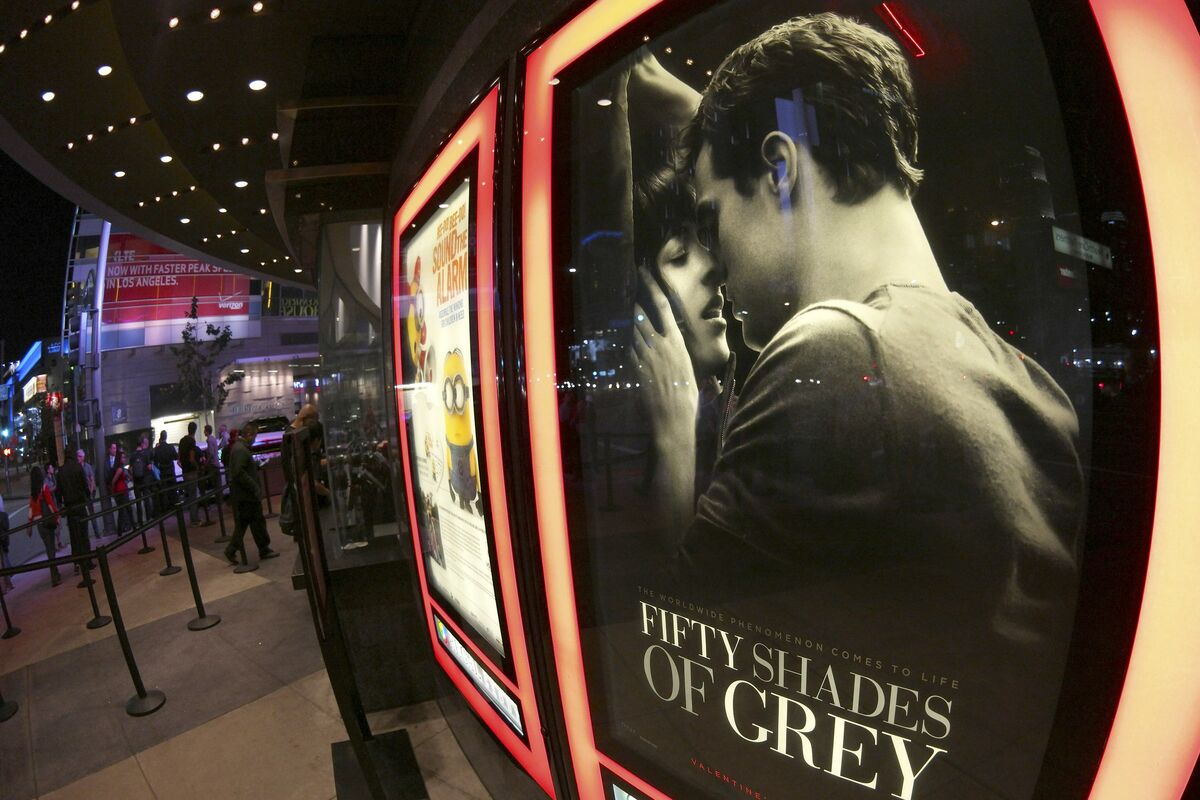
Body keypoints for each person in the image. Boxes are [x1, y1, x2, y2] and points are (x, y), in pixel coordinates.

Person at [655, 13, 1084, 797]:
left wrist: (670, 431)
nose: (716, 261)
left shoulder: (840, 350)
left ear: (780, 169)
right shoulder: (1028, 383)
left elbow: (667, 673)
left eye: (714, 218)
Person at [223, 422, 279, 565]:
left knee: (244, 523)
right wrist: (254, 487)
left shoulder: (239, 448)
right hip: (247, 494)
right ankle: (263, 549)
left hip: (243, 494)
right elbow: (239, 472)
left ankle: (231, 549)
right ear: (248, 434)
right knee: (257, 522)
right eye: (254, 435)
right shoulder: (241, 450)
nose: (255, 439)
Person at [58, 449, 94, 583]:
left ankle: (77, 562)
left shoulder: (61, 471)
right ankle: (88, 560)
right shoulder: (78, 468)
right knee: (84, 534)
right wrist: (87, 496)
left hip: (69, 507)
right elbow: (85, 485)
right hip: (80, 504)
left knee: (74, 536)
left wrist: (61, 504)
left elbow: (58, 492)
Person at [28, 466, 61, 587]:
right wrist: (56, 517)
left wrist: (29, 525)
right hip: (47, 521)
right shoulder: (44, 488)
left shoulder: (33, 493)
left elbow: (31, 510)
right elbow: (50, 504)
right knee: (51, 548)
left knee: (48, 548)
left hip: (39, 525)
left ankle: (55, 573)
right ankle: (54, 575)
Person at [178, 421, 201, 526]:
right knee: (193, 496)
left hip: (185, 473)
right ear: (195, 430)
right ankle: (194, 520)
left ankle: (193, 519)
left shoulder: (181, 441)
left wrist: (184, 467)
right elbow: (192, 458)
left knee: (190, 496)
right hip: (192, 472)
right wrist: (197, 467)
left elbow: (178, 460)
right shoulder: (192, 441)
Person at [77, 448, 103, 539]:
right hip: (81, 493)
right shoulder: (77, 467)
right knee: (83, 514)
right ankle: (85, 535)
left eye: (80, 456)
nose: (78, 458)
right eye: (78, 456)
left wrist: (91, 491)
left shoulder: (87, 466)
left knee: (92, 513)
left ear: (83, 457)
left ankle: (97, 533)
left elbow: (92, 479)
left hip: (88, 492)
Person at [129, 436, 154, 524]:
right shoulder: (145, 454)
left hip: (136, 482)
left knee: (138, 502)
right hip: (145, 480)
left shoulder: (132, 455)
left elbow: (130, 469)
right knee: (146, 500)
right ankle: (148, 519)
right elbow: (149, 467)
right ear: (142, 444)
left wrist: (132, 476)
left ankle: (140, 521)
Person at [152, 431, 178, 515]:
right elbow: (175, 457)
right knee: (173, 490)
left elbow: (155, 462)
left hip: (163, 472)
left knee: (164, 491)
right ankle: (174, 506)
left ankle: (166, 509)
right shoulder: (170, 447)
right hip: (170, 470)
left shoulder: (157, 449)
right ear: (166, 437)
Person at [109, 450, 134, 534]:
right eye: (122, 457)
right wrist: (113, 492)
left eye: (124, 457)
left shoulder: (121, 468)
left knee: (124, 511)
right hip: (121, 492)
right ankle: (127, 527)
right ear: (119, 459)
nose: (124, 459)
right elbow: (113, 481)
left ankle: (122, 530)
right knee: (125, 510)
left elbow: (128, 477)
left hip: (123, 491)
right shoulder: (119, 469)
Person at [100, 441, 118, 535]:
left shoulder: (118, 458)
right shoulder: (106, 461)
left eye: (115, 448)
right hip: (111, 486)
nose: (115, 450)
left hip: (119, 485)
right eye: (113, 448)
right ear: (110, 449)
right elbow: (106, 474)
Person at [0, 497, 12, 594]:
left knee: (3, 561)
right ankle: (7, 584)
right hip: (3, 541)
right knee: (4, 559)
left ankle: (7, 584)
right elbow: (6, 527)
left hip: (2, 541)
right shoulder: (3, 515)